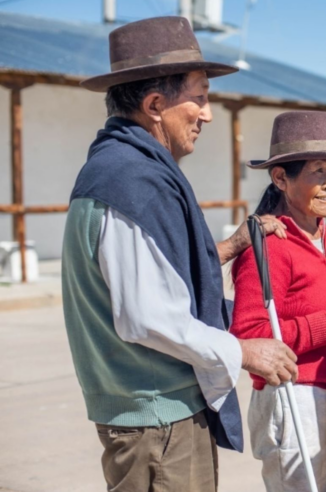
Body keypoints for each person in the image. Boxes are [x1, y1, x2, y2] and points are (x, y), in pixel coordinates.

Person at [62, 17, 297, 492]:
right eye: (201, 97)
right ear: (154, 105)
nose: (207, 114)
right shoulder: (130, 181)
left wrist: (229, 247)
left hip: (154, 419)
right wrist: (244, 351)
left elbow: (152, 273)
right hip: (157, 424)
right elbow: (148, 316)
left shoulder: (120, 169)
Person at [230, 111, 326, 492]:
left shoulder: (325, 233)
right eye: (318, 171)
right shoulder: (268, 247)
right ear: (281, 178)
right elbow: (248, 334)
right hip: (293, 401)